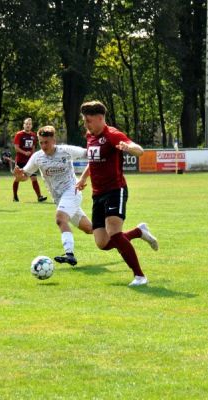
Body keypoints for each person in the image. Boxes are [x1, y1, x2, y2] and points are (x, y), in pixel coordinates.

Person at [76, 100, 158, 287]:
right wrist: (82, 178)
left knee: (114, 232)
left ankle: (140, 276)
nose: (86, 124)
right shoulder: (90, 136)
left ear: (99, 118)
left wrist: (130, 148)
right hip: (97, 194)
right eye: (84, 121)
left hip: (115, 190)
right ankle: (139, 232)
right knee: (103, 243)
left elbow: (139, 150)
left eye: (88, 120)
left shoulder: (112, 135)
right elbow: (93, 160)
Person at [14, 125, 92, 266]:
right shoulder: (37, 157)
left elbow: (90, 154)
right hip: (59, 199)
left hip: (72, 191)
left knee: (60, 218)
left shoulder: (66, 151)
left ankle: (69, 254)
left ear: (54, 140)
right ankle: (131, 234)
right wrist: (19, 177)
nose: (43, 145)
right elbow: (25, 175)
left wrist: (84, 177)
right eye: (41, 142)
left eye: (46, 142)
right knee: (91, 230)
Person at [12, 118, 47, 203]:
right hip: (20, 160)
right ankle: (15, 196)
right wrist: (24, 153)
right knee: (18, 178)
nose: (28, 125)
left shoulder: (34, 135)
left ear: (31, 125)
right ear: (23, 125)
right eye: (26, 124)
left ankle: (39, 196)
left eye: (29, 124)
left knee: (34, 178)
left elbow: (33, 148)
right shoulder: (19, 134)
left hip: (30, 161)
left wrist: (32, 155)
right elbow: (16, 148)